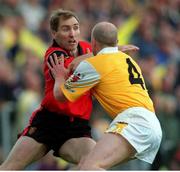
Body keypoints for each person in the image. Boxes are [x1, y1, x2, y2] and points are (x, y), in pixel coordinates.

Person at [0, 9, 139, 170]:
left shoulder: (88, 49)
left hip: (77, 128)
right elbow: (72, 66)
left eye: (75, 27)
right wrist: (109, 52)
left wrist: (108, 53)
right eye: (66, 29)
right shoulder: (53, 54)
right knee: (9, 167)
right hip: (47, 123)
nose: (72, 33)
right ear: (54, 33)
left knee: (93, 163)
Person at [48, 21, 162, 170]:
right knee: (84, 165)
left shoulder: (94, 65)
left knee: (90, 166)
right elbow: (84, 62)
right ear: (117, 42)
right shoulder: (127, 59)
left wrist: (59, 77)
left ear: (93, 42)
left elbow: (60, 94)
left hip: (134, 122)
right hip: (153, 125)